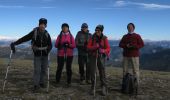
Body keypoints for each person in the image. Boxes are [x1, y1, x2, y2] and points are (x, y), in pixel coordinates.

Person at [10, 18, 52, 92]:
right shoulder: (34, 33)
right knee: (37, 70)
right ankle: (36, 85)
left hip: (45, 55)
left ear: (46, 26)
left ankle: (41, 82)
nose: (42, 26)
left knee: (44, 70)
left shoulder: (47, 34)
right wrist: (15, 43)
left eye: (44, 25)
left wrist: (48, 50)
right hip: (37, 54)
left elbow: (50, 44)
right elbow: (24, 38)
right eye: (41, 24)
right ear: (39, 25)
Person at [87, 25, 110, 96]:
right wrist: (94, 47)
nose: (97, 31)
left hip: (101, 57)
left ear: (101, 31)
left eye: (98, 30)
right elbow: (88, 47)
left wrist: (103, 50)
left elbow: (108, 48)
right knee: (93, 71)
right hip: (93, 56)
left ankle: (103, 86)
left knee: (102, 71)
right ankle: (93, 86)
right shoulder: (92, 37)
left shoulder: (104, 38)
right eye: (96, 30)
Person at [55, 23, 76, 87]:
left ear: (68, 28)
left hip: (69, 54)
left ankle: (69, 81)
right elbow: (56, 45)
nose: (64, 29)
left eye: (66, 27)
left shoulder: (71, 36)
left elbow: (74, 45)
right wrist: (60, 45)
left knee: (68, 68)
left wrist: (69, 45)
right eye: (63, 27)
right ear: (61, 28)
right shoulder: (60, 36)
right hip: (60, 54)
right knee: (59, 67)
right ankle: (57, 81)